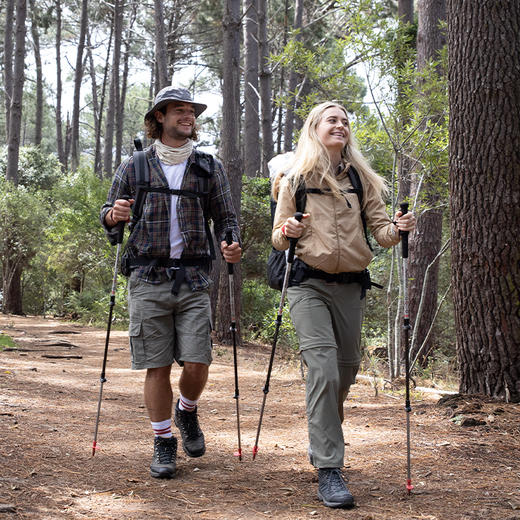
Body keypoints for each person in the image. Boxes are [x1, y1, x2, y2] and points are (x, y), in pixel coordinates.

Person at [271, 101, 415, 508]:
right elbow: (278, 239)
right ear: (315, 128)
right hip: (307, 283)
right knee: (323, 366)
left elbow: (383, 233)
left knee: (347, 369)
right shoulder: (294, 178)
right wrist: (290, 227)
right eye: (332, 120)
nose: (341, 125)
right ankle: (330, 468)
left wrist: (399, 228)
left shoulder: (360, 178)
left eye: (345, 122)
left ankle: (324, 431)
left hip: (351, 284)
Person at [100, 86, 241, 479]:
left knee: (198, 362)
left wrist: (232, 243)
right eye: (179, 111)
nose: (188, 116)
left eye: (191, 112)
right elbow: (108, 215)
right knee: (157, 366)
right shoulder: (136, 165)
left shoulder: (208, 166)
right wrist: (115, 215)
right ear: (159, 117)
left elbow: (226, 217)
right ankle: (164, 442)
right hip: (147, 277)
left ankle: (187, 411)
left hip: (195, 277)